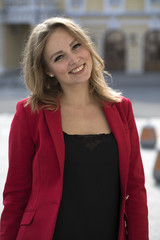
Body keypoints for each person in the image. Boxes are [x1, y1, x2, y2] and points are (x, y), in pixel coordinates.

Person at [0, 17, 148, 240]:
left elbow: (135, 191)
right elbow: (16, 195)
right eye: (59, 57)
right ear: (47, 70)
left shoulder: (122, 109)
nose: (74, 59)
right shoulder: (30, 114)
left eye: (76, 45)